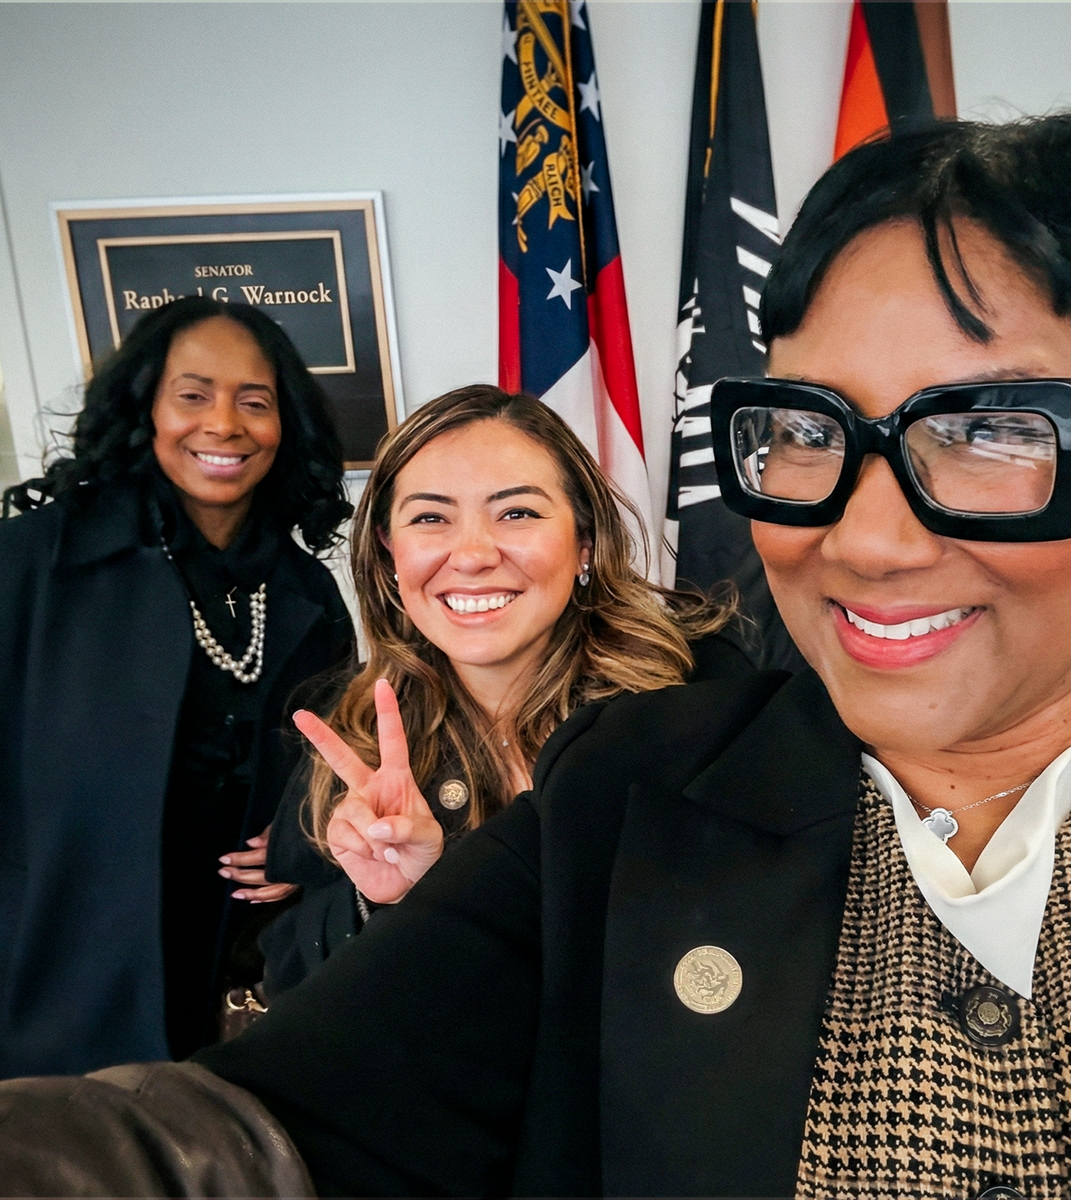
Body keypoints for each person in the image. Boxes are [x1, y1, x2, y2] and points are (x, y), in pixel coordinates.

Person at [0, 114, 1071, 1199]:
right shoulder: (627, 806)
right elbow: (247, 1135)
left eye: (991, 431)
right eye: (809, 436)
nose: (868, 535)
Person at [0, 297, 355, 1087]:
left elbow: (336, 767)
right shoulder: (30, 566)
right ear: (146, 409)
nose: (225, 424)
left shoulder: (304, 589)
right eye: (193, 394)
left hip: (241, 991)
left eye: (255, 400)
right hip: (53, 988)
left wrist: (305, 847)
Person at [257, 385, 749, 995]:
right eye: (430, 517)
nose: (472, 555)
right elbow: (291, 986)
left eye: (517, 512)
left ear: (585, 544)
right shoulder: (353, 734)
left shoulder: (700, 690)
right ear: (388, 553)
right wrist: (389, 902)